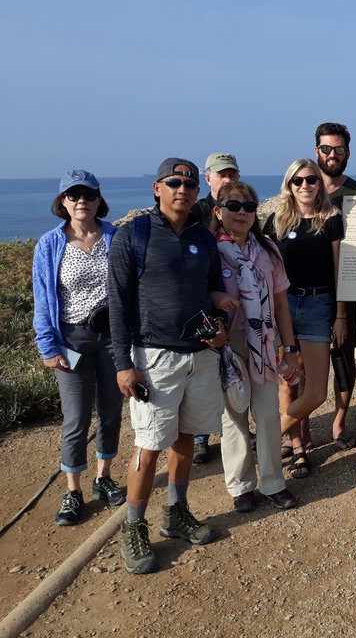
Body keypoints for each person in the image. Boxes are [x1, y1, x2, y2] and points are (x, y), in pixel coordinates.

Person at [108, 158, 229, 574]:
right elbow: (118, 304)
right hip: (153, 357)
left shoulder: (203, 238)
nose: (183, 189)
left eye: (190, 184)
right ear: (157, 188)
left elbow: (216, 290)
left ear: (198, 192)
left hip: (199, 355)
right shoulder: (133, 235)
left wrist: (222, 328)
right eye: (174, 182)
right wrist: (123, 364)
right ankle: (134, 525)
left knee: (186, 438)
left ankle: (176, 512)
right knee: (149, 444)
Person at [33, 170, 126, 526]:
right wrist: (47, 345)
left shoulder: (115, 237)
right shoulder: (50, 243)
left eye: (88, 194)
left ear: (99, 198)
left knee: (111, 411)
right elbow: (43, 298)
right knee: (75, 418)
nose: (81, 201)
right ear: (63, 202)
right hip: (70, 338)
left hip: (112, 338)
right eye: (73, 195)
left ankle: (103, 478)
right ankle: (73, 491)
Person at [211, 181, 300, 512]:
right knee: (233, 415)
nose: (242, 213)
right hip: (227, 343)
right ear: (218, 212)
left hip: (263, 341)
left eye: (249, 207)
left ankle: (274, 482)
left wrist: (289, 348)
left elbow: (281, 306)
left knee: (267, 413)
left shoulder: (267, 252)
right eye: (233, 207)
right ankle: (241, 486)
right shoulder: (209, 251)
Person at [263, 159, 347, 478]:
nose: (305, 186)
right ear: (289, 185)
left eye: (311, 179)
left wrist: (340, 316)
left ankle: (266, 440)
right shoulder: (277, 221)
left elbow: (340, 272)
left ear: (319, 183)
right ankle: (298, 449)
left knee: (315, 391)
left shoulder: (332, 218)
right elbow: (266, 271)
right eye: (297, 181)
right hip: (283, 307)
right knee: (289, 387)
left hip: (317, 305)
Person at [313, 122, 356, 451]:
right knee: (304, 363)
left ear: (348, 153)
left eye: (339, 149)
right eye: (326, 148)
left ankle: (338, 423)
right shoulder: (303, 188)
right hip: (307, 291)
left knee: (345, 358)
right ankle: (300, 432)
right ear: (316, 150)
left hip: (348, 291)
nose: (333, 155)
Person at [192, 152, 241, 465]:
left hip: (234, 302)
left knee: (231, 371)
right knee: (204, 373)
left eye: (231, 174)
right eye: (221, 174)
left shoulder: (240, 208)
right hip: (204, 301)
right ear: (207, 178)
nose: (227, 179)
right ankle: (200, 438)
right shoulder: (196, 211)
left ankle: (234, 433)